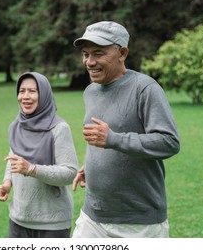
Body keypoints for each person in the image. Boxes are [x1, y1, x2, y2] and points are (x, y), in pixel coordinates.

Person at [71, 21, 180, 238]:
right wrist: (91, 165)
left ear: (122, 53)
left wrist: (114, 139)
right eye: (86, 54)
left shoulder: (145, 89)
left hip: (138, 223)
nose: (89, 62)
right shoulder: (90, 91)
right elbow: (100, 138)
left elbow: (169, 142)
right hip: (92, 218)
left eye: (98, 53)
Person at [0, 71, 79, 238]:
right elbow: (13, 157)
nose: (25, 96)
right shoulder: (17, 125)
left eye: (32, 91)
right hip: (18, 218)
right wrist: (7, 182)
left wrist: (32, 169)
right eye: (22, 91)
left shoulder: (59, 128)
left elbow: (70, 173)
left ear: (45, 94)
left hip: (52, 223)